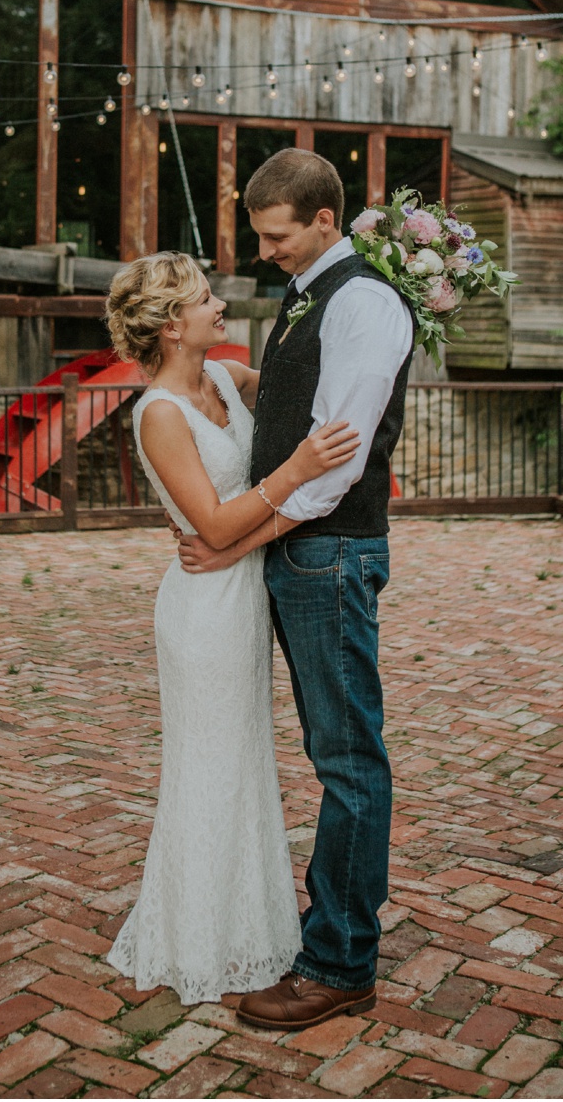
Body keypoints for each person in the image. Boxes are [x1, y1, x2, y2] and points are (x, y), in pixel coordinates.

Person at [171, 148, 416, 1031]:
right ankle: (325, 920)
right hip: (299, 551)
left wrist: (240, 532)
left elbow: (331, 466)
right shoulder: (309, 292)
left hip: (329, 552)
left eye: (277, 235)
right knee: (331, 750)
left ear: (324, 221)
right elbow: (292, 408)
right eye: (259, 234)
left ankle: (340, 961)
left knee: (349, 760)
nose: (265, 250)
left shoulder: (364, 302)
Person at [102, 252, 360, 1004]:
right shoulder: (157, 414)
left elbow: (286, 387)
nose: (221, 305)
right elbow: (211, 524)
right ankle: (197, 937)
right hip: (203, 607)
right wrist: (300, 466)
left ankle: (249, 927)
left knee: (246, 760)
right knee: (208, 764)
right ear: (172, 324)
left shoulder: (222, 379)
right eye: (205, 299)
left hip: (244, 595)